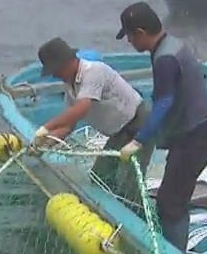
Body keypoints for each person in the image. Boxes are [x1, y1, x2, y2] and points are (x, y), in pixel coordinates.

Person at [114, 2, 207, 253]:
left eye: (129, 35)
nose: (129, 41)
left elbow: (164, 102)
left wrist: (139, 140)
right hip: (195, 133)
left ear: (140, 32)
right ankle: (171, 248)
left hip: (195, 139)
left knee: (171, 203)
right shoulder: (171, 44)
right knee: (173, 197)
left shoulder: (165, 58)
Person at [32, 37, 153, 199]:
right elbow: (68, 126)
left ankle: (137, 219)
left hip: (140, 122)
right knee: (100, 177)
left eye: (56, 70)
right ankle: (111, 209)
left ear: (67, 62)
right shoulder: (70, 87)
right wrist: (44, 143)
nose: (55, 75)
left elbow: (82, 108)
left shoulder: (94, 71)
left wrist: (46, 127)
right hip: (118, 131)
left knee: (129, 183)